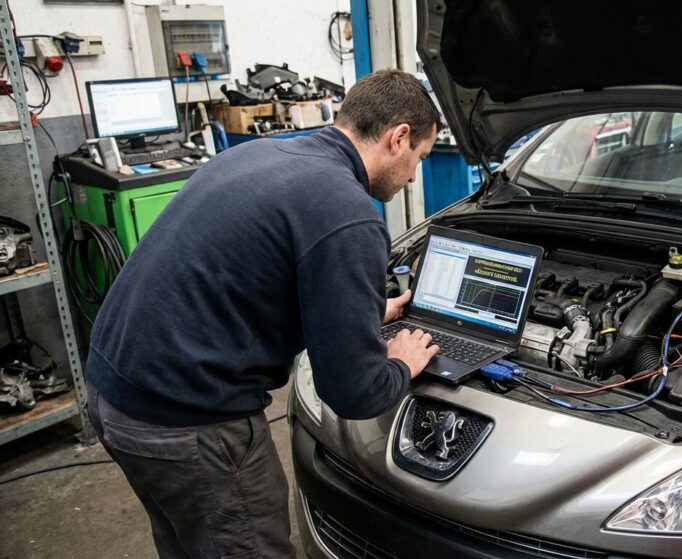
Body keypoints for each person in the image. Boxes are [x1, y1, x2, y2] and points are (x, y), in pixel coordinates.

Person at [84, 69, 442, 558]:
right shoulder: (349, 212)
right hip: (187, 420)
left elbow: (254, 275)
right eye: (420, 157)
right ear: (398, 138)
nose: (414, 176)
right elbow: (354, 392)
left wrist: (356, 312)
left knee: (190, 544)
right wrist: (400, 362)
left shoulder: (265, 152)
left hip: (113, 393)